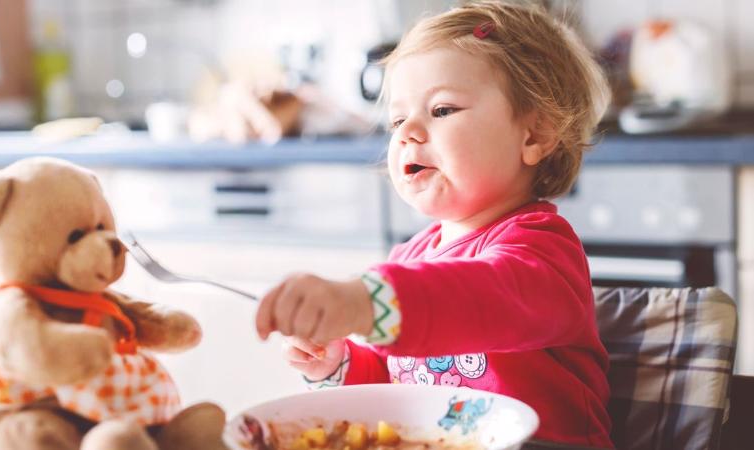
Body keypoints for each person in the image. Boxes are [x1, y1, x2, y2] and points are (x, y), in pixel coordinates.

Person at [255, 1, 612, 447]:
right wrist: (337, 363)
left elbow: (483, 294)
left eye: (441, 110)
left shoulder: (543, 250)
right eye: (398, 119)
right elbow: (388, 385)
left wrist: (365, 301)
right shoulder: (407, 259)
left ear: (534, 135)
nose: (407, 133)